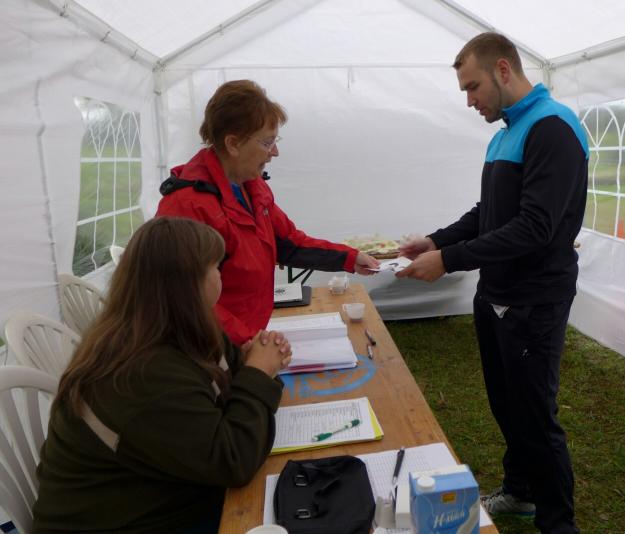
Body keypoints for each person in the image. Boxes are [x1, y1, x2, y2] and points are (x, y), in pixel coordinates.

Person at [397, 32, 587, 533]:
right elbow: (491, 212)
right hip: (497, 294)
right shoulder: (506, 132)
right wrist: (434, 240)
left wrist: (448, 260)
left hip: (534, 299)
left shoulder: (553, 128)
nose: (470, 100)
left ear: (503, 70)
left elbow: (535, 227)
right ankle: (522, 491)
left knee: (535, 415)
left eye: (473, 86)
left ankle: (558, 523)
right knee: (506, 404)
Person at [33, 217, 292, 533]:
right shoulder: (140, 372)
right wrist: (259, 371)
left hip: (159, 496)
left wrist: (258, 367)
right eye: (216, 267)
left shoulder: (165, 329)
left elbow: (237, 381)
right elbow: (233, 460)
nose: (221, 274)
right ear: (188, 284)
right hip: (129, 522)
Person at [157, 80, 379, 345]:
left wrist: (350, 258)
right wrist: (248, 346)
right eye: (267, 142)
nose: (275, 151)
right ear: (233, 144)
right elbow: (187, 300)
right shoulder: (186, 207)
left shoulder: (253, 188)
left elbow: (290, 242)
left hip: (249, 338)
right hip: (211, 348)